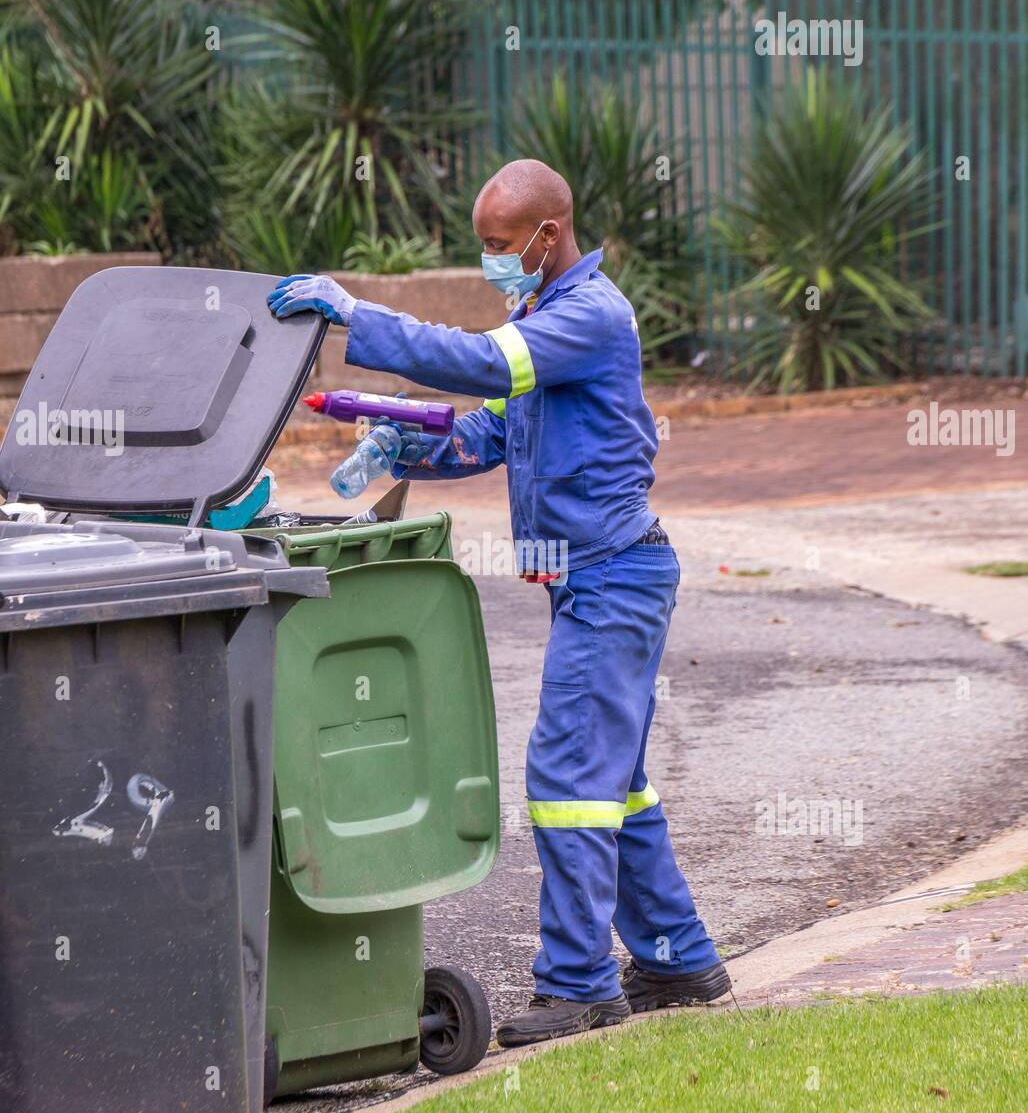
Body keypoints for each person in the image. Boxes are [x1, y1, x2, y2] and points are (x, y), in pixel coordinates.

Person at [268, 158, 730, 1047]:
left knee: (565, 782)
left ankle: (578, 986)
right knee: (614, 787)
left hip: (612, 577)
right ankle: (676, 957)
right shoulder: (548, 314)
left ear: (546, 237)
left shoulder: (588, 317)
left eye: (497, 245)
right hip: (595, 578)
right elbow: (494, 428)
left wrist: (356, 316)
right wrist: (403, 447)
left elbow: (482, 368)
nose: (491, 261)